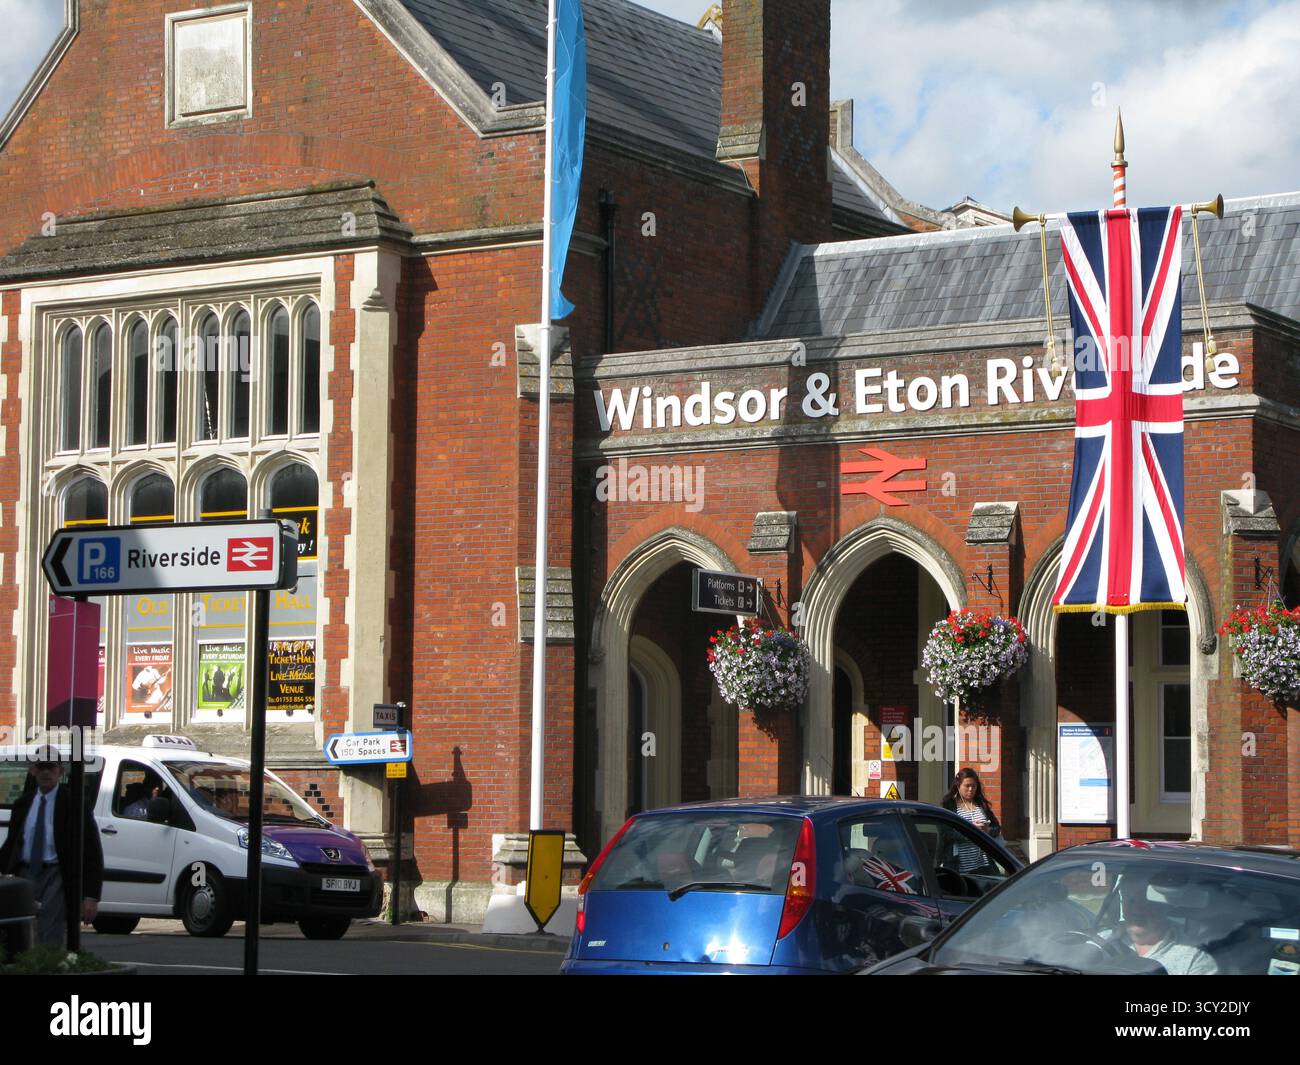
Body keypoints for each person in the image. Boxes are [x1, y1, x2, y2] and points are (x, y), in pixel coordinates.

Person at [0, 747, 104, 947]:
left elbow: (92, 851)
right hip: (25, 873)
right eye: (41, 767)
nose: (46, 772)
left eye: (51, 767)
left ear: (60, 771)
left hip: (56, 873)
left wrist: (91, 896)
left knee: (50, 928)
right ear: (33, 770)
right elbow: (11, 844)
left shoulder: (74, 804)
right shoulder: (23, 803)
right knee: (23, 931)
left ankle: (50, 964)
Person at [1119, 896, 1218, 975]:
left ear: (1164, 907)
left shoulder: (1195, 959)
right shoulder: (1105, 938)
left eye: (1145, 902)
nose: (1136, 910)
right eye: (1130, 901)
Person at [941, 768, 1001, 872]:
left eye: (973, 786)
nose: (970, 789)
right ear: (958, 786)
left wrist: (988, 831)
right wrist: (970, 832)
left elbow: (996, 827)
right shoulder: (950, 806)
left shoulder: (981, 804)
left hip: (985, 865)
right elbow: (945, 834)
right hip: (959, 866)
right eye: (967, 786)